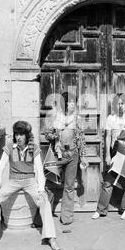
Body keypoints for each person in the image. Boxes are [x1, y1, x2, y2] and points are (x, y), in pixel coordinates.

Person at [0, 121, 60, 250]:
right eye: (17, 134)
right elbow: (0, 168)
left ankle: (50, 237)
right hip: (14, 181)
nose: (19, 137)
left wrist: (40, 190)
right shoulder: (10, 147)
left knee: (44, 200)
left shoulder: (34, 148)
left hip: (30, 181)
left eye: (22, 135)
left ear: (27, 136)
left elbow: (39, 169)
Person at [91, 93, 125, 220]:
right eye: (118, 103)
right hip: (115, 152)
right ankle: (101, 209)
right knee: (108, 181)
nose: (120, 106)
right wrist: (108, 155)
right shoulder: (111, 118)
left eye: (123, 103)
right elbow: (108, 137)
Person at [45, 92, 88, 225]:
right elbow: (47, 135)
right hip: (57, 154)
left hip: (72, 155)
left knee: (69, 186)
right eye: (69, 102)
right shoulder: (55, 117)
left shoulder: (77, 119)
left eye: (74, 102)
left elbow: (81, 139)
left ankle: (66, 217)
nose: (72, 104)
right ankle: (44, 215)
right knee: (50, 184)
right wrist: (53, 135)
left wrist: (83, 156)